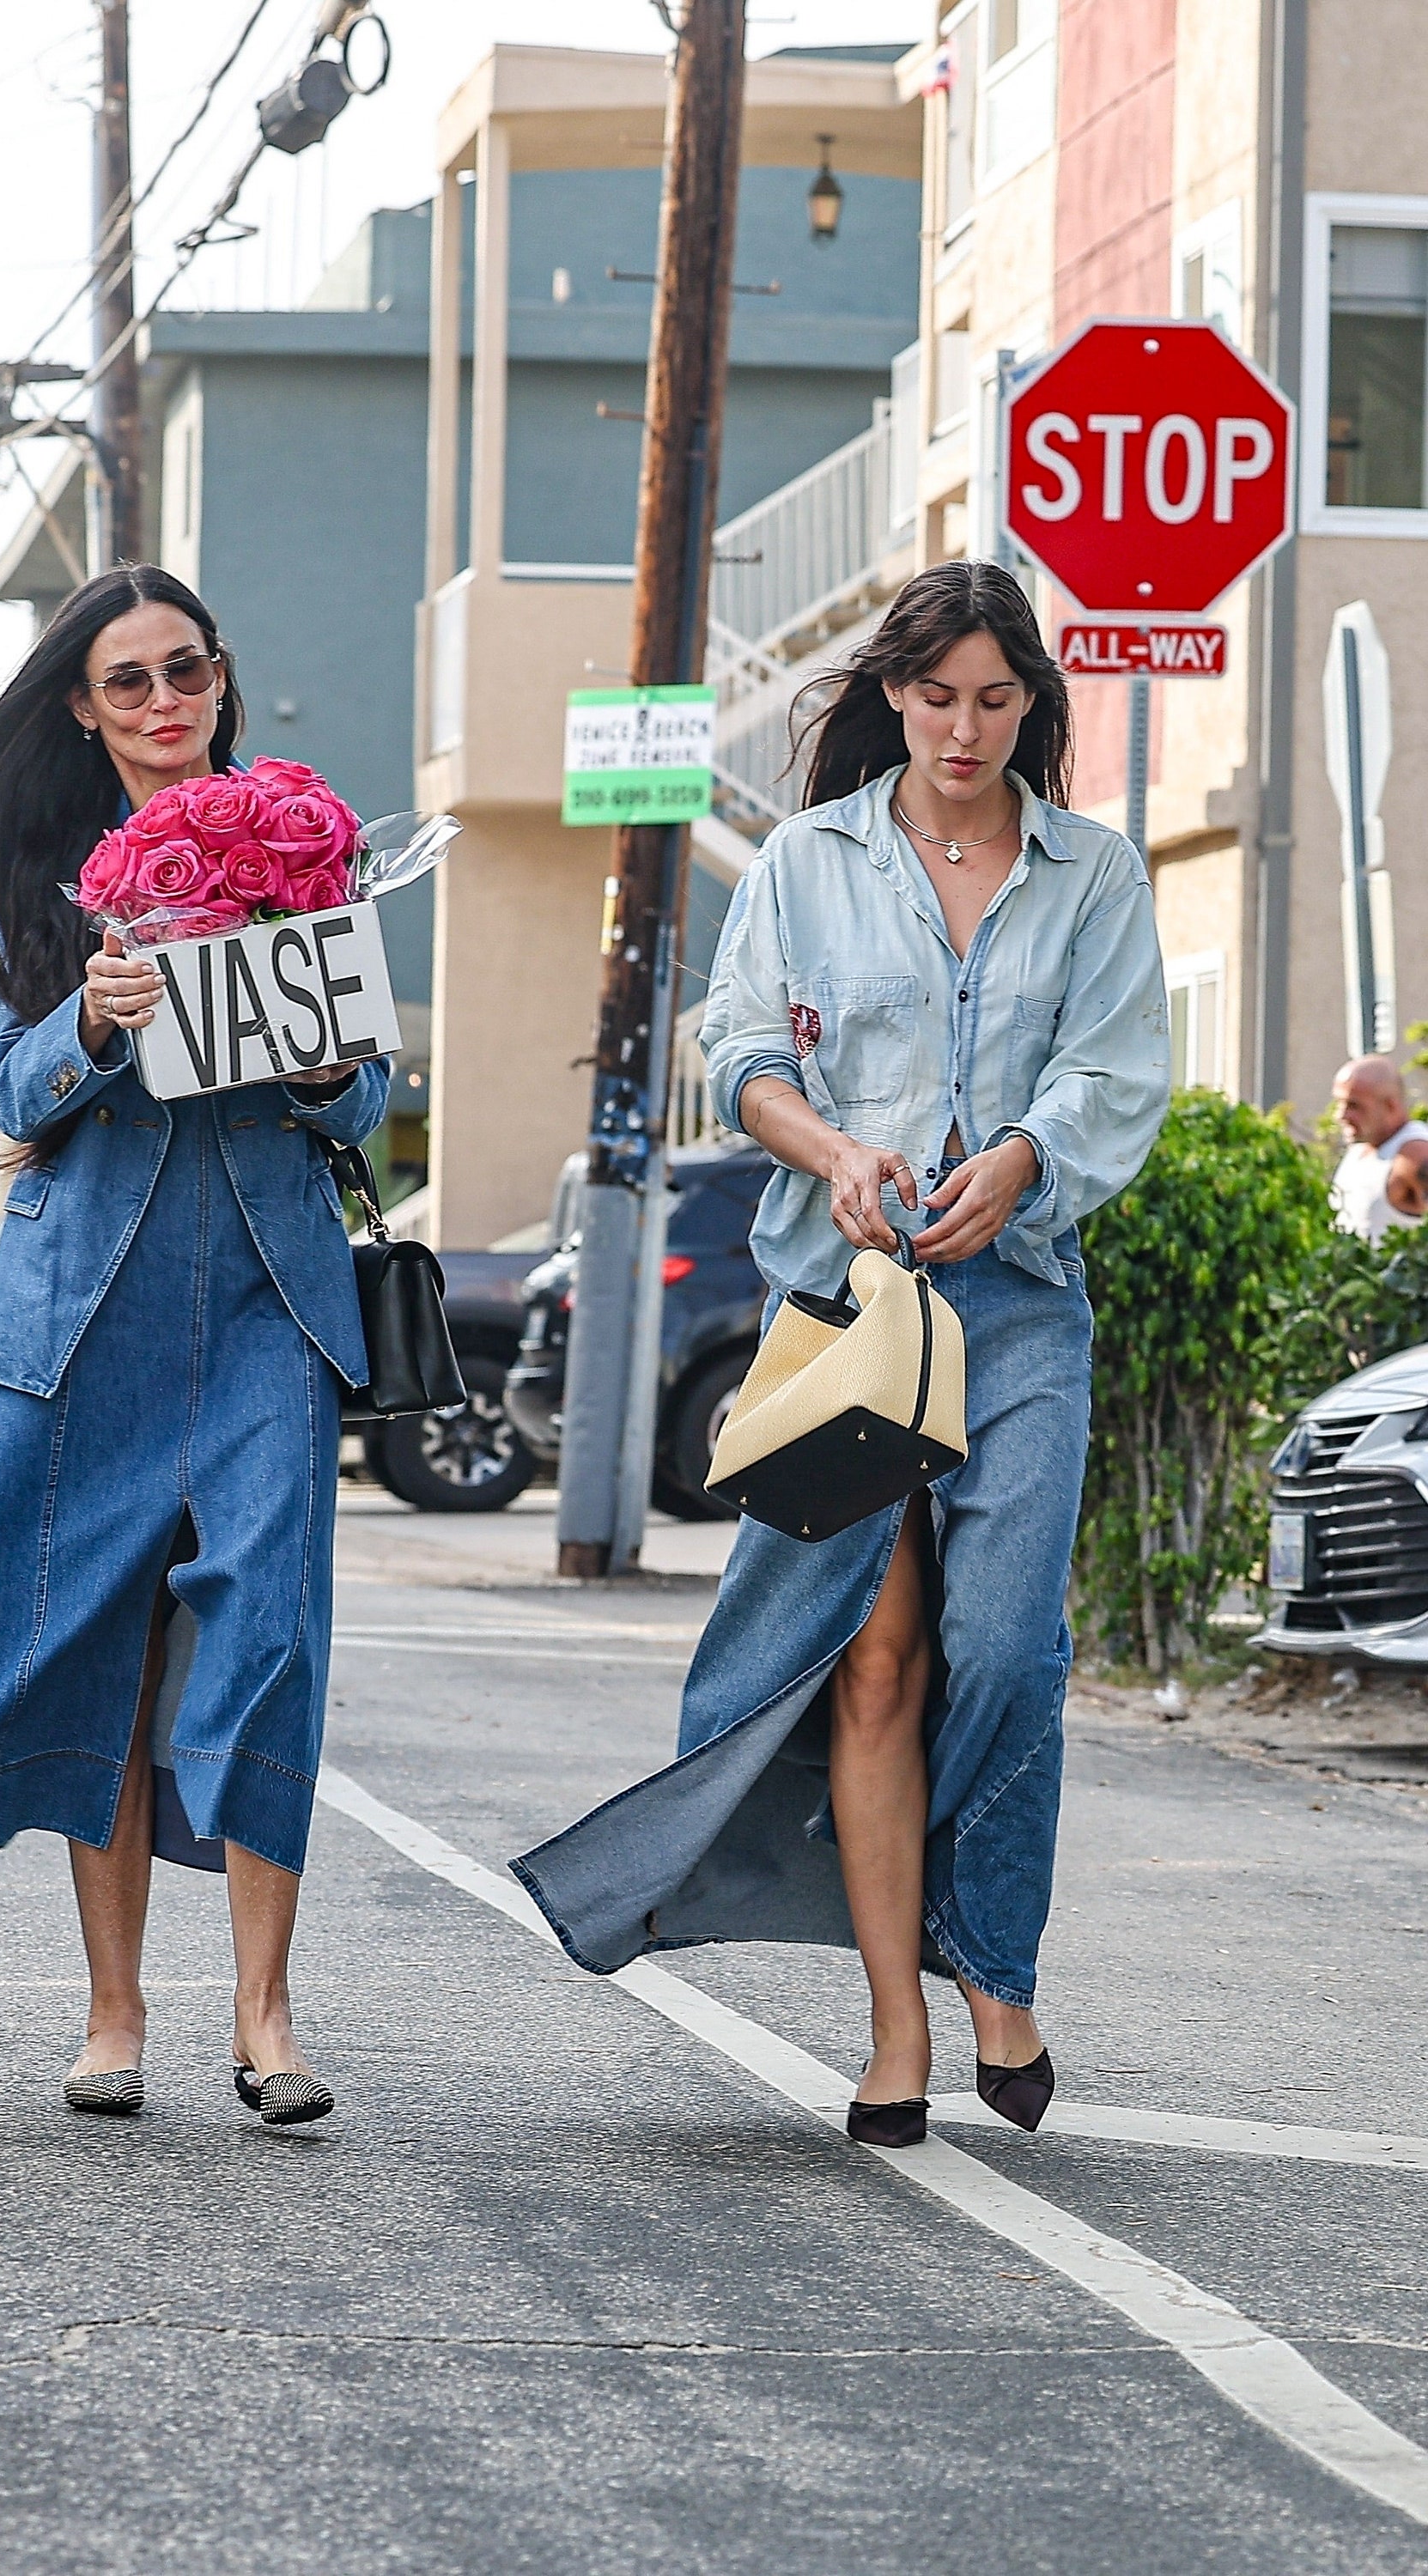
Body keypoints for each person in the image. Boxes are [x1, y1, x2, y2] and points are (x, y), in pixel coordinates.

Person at [512, 561, 1170, 2146]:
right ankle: (898, 2029)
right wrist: (838, 1159)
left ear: (1033, 704)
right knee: (872, 1664)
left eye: (996, 700)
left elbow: (1116, 1071)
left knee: (1006, 1645)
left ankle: (986, 1954)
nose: (964, 727)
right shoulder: (807, 860)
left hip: (1013, 1300)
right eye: (936, 696)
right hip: (846, 1316)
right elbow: (740, 1053)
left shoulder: (1094, 872)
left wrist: (1014, 1164)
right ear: (894, 694)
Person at [0, 564, 388, 2129]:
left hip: (275, 1292)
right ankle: (114, 2012)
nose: (162, 702)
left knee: (267, 1637)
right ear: (82, 703)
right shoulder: (46, 878)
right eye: (128, 681)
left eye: (186, 670)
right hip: (94, 1308)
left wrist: (335, 1063)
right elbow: (9, 1095)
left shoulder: (306, 846)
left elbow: (367, 1103)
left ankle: (267, 2018)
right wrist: (91, 1017)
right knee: (115, 1655)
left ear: (221, 677)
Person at [1328, 1054, 1428, 1240]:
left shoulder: (1415, 1154)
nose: (1341, 1115)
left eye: (1354, 1105)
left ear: (1390, 1106)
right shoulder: (1359, 1150)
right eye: (1339, 1103)